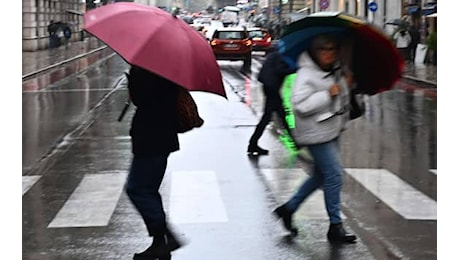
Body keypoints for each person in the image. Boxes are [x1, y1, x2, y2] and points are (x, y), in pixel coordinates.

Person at [272, 33, 357, 243]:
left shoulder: (333, 70)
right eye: (324, 49)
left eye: (333, 49)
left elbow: (340, 98)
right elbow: (300, 105)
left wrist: (346, 85)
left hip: (331, 128)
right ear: (314, 51)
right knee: (334, 175)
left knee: (321, 175)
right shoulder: (306, 74)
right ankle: (335, 226)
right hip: (315, 133)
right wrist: (329, 93)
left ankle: (288, 209)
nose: (329, 54)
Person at [125, 65, 183, 260]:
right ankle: (160, 244)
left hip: (151, 137)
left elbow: (143, 99)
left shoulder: (146, 70)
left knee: (137, 188)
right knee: (148, 189)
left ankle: (166, 236)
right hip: (162, 136)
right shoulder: (168, 70)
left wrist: (132, 81)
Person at [247, 45, 297, 155]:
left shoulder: (273, 55)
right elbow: (280, 70)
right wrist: (295, 69)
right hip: (272, 88)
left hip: (268, 87)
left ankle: (253, 144)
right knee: (273, 116)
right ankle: (295, 142)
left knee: (276, 115)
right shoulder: (280, 56)